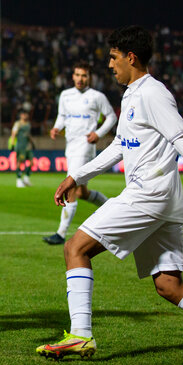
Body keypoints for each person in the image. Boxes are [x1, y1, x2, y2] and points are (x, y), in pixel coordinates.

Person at [36, 26, 183, 360]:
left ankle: (80, 335)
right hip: (164, 200)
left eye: (113, 58)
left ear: (131, 57)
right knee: (168, 285)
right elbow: (119, 149)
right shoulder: (132, 94)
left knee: (75, 247)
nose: (109, 65)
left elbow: (182, 140)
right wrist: (76, 175)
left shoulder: (153, 93)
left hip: (148, 195)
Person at [43, 61, 117, 245]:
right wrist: (56, 127)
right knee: (83, 192)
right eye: (77, 75)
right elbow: (62, 115)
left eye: (84, 75)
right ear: (73, 76)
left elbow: (112, 116)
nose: (80, 79)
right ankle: (114, 211)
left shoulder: (96, 96)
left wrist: (98, 133)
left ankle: (60, 233)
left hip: (85, 146)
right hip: (71, 145)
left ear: (89, 77)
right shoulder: (66, 95)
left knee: (71, 188)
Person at [9, 109, 35, 187]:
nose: (25, 115)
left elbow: (28, 135)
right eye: (24, 114)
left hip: (27, 146)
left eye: (26, 114)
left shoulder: (28, 124)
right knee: (20, 163)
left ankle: (26, 179)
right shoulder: (18, 124)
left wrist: (32, 143)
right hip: (20, 146)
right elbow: (13, 134)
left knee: (31, 162)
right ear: (21, 115)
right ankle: (19, 180)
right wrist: (12, 144)